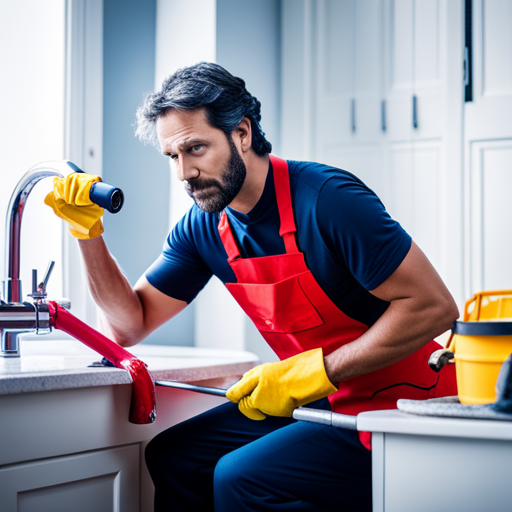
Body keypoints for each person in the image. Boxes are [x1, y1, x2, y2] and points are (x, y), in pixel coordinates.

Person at [45, 62, 459, 512]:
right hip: (319, 400)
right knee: (175, 457)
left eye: (196, 148)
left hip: (399, 406)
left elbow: (433, 306)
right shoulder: (203, 227)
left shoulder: (327, 199)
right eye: (172, 157)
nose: (184, 173)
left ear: (242, 133)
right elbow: (128, 325)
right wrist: (89, 235)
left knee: (241, 477)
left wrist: (314, 372)